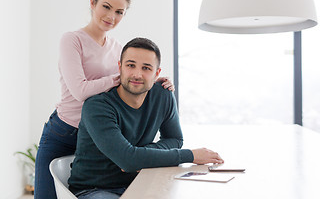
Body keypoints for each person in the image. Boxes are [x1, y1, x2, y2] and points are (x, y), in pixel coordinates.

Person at [34, 0, 174, 199]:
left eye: (120, 12)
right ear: (93, 3)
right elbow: (80, 91)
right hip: (64, 132)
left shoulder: (117, 47)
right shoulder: (72, 40)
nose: (112, 16)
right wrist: (117, 78)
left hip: (96, 135)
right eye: (106, 7)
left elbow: (128, 83)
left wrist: (152, 80)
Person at [68, 37, 224, 198]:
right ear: (120, 67)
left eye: (146, 68)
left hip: (142, 181)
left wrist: (139, 155)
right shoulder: (97, 106)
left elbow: (175, 139)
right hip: (95, 189)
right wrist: (191, 155)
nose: (137, 74)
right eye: (130, 65)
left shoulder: (163, 95)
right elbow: (128, 161)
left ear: (157, 73)